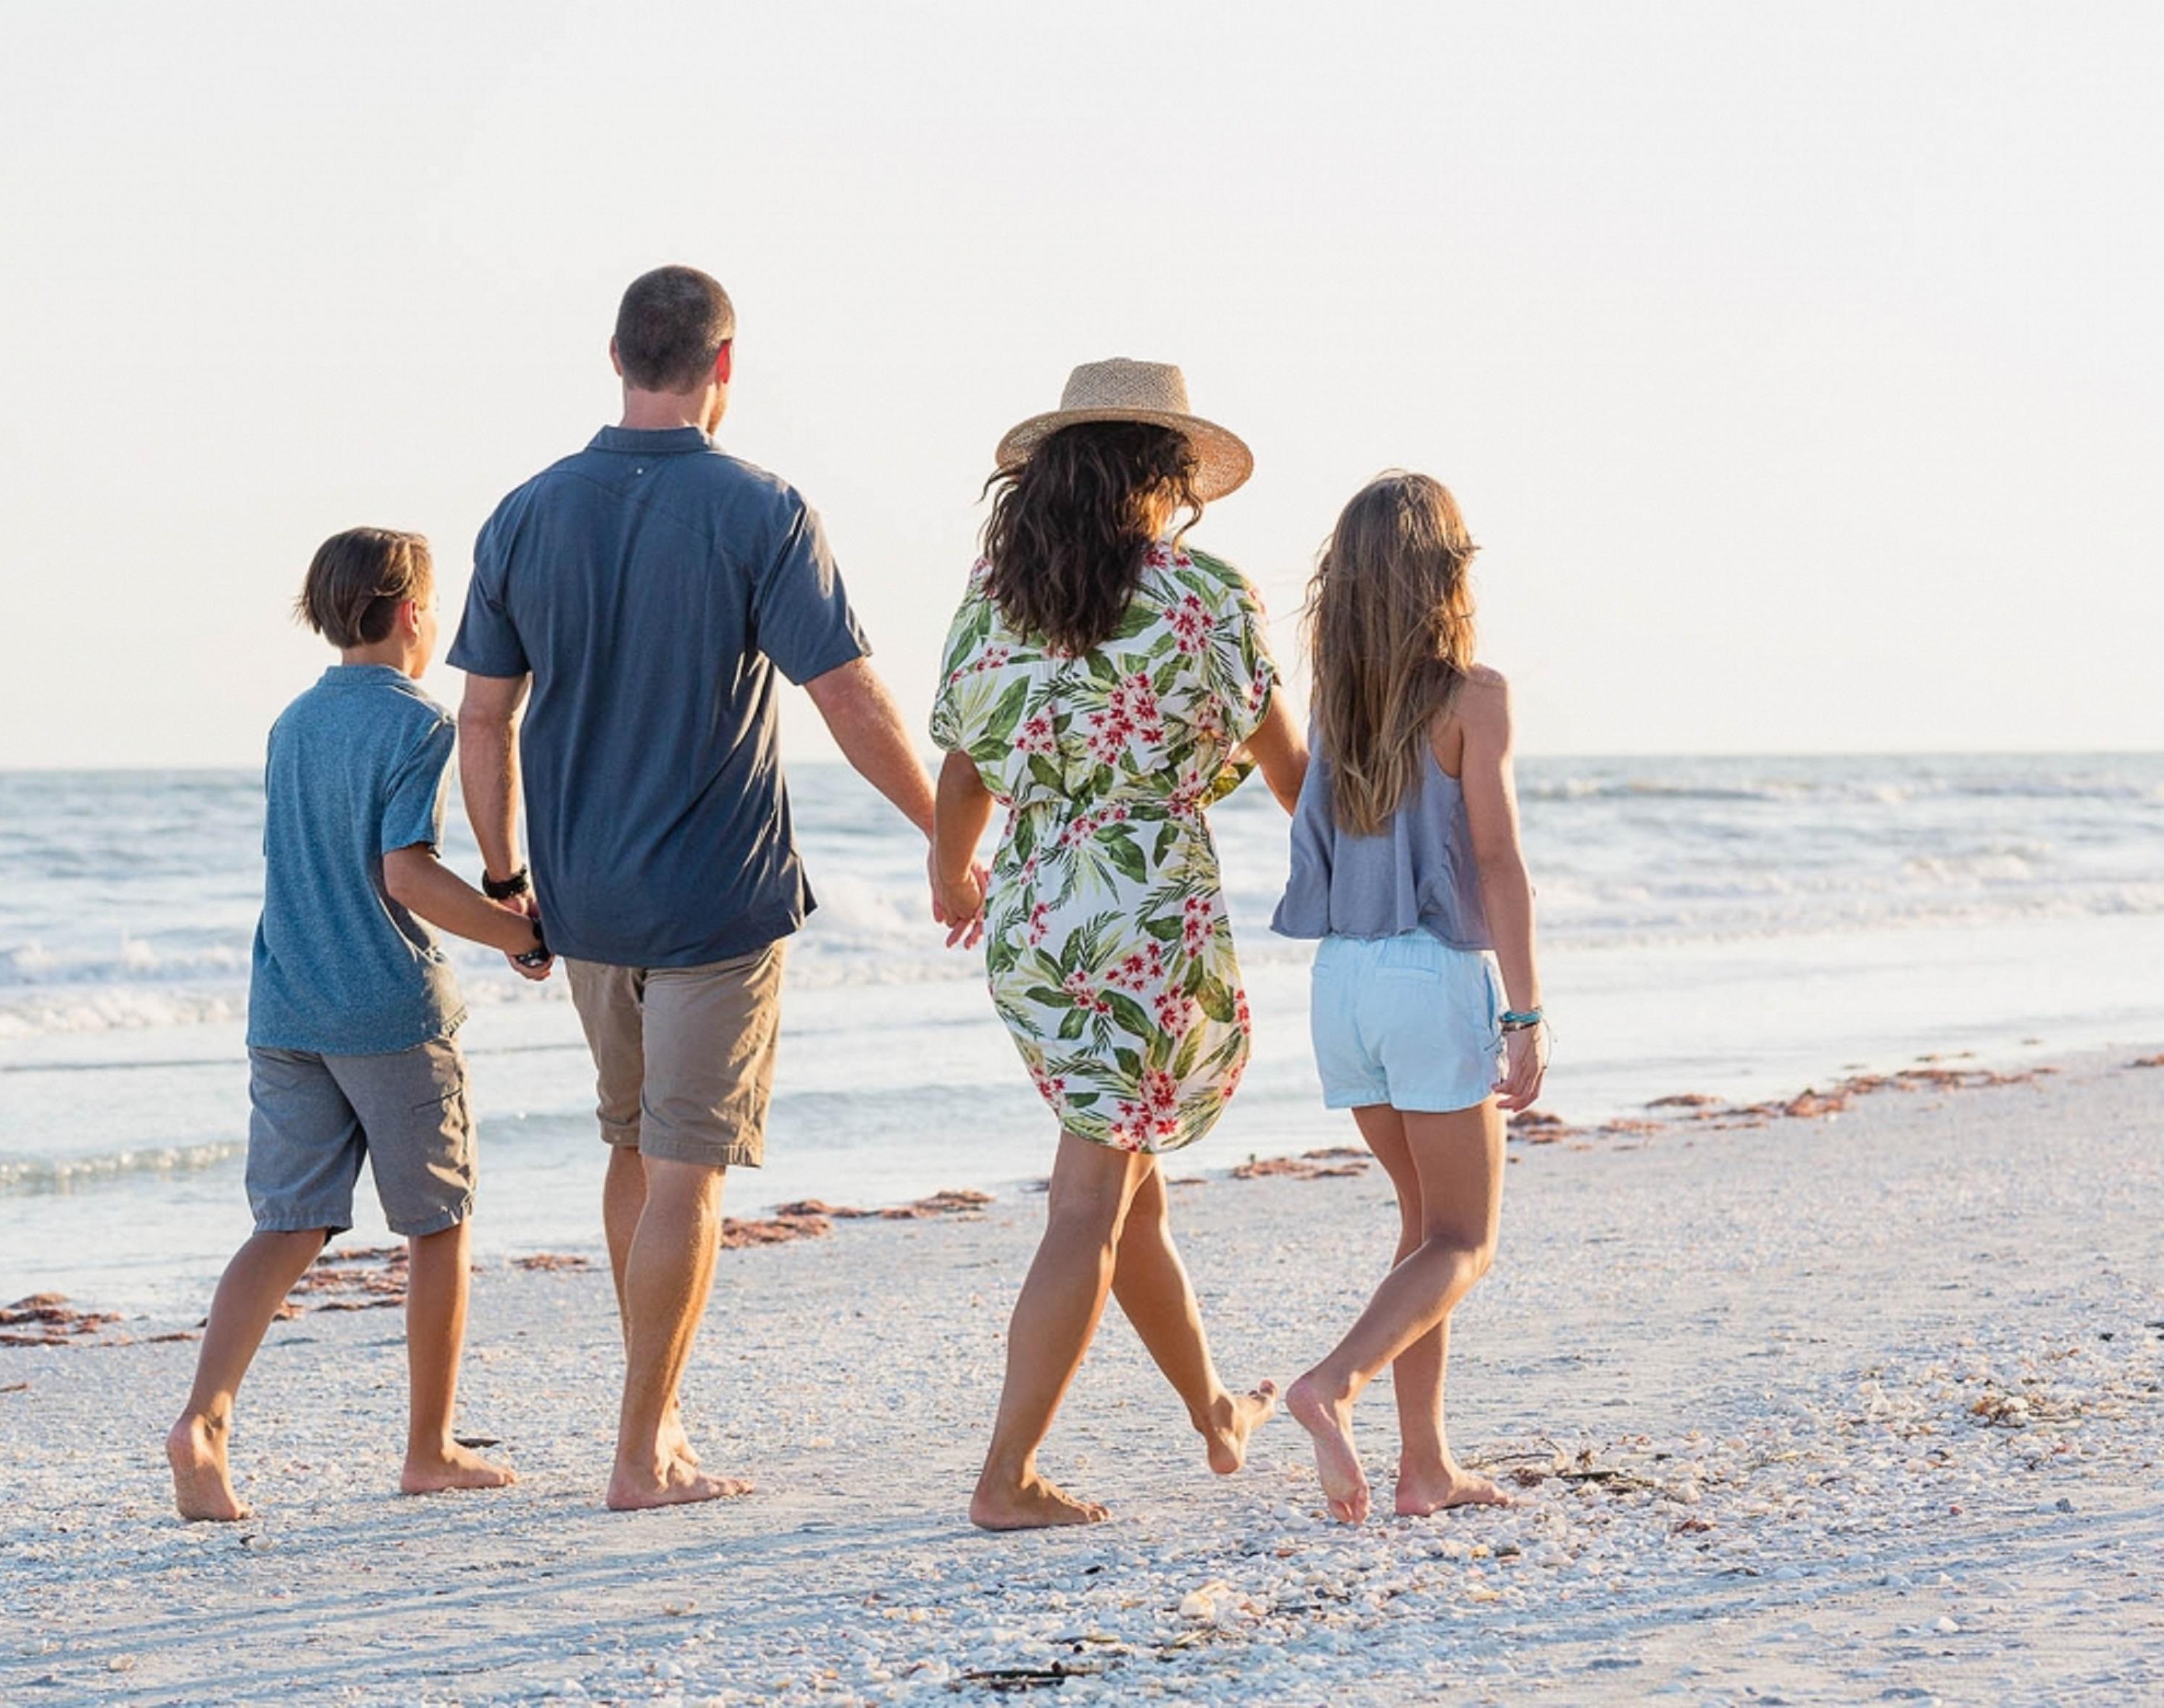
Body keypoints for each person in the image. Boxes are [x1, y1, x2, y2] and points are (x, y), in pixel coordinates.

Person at [452, 265, 938, 1511]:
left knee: (633, 1146)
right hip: (716, 891)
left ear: (615, 354)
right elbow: (845, 695)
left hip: (583, 893)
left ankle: (648, 1426)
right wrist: (945, 831)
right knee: (686, 1169)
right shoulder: (761, 508)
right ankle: (641, 1449)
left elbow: (486, 718)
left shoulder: (523, 512)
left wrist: (507, 878)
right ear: (726, 365)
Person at [928, 358, 1306, 1529]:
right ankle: (1007, 1476)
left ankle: (1215, 1414)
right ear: (1161, 476)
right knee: (1091, 1195)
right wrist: (1377, 881)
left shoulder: (997, 600)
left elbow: (962, 766)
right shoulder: (1205, 598)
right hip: (1146, 916)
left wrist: (951, 874)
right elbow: (1299, 780)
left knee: (1126, 1189)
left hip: (1037, 916)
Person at [167, 526, 552, 1523]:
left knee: (286, 1223)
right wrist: (514, 929)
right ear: (416, 614)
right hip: (386, 1008)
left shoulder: (293, 723)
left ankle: (203, 1421)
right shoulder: (418, 722)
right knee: (438, 1223)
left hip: (285, 1003)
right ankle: (429, 1449)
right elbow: (405, 873)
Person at [1274, 472, 1549, 1524]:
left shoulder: (1339, 705)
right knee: (1466, 1240)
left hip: (1340, 980)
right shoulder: (1473, 696)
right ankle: (1330, 1384)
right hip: (1429, 976)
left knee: (1423, 1230)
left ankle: (1424, 1467)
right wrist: (1524, 1013)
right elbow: (1498, 859)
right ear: (1448, 575)